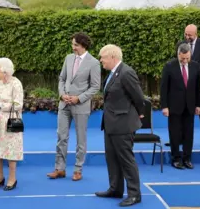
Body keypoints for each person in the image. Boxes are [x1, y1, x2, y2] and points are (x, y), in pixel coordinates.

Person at [95, 44, 145, 207]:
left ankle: (134, 194)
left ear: (112, 57)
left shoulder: (126, 72)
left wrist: (140, 113)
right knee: (112, 158)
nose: (100, 60)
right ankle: (115, 189)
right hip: (110, 124)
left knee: (126, 160)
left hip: (123, 125)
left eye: (102, 57)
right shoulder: (112, 73)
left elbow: (138, 97)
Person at [47, 32, 100, 181]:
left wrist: (79, 98)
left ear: (83, 45)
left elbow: (95, 87)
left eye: (75, 45)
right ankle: (60, 168)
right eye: (72, 44)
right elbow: (61, 79)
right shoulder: (68, 58)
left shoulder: (94, 62)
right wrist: (62, 94)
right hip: (64, 105)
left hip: (81, 106)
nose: (73, 47)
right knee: (61, 137)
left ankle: (78, 170)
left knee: (81, 140)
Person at [170, 24, 200, 149]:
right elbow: (177, 63)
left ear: (196, 34)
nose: (187, 37)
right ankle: (178, 138)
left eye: (190, 35)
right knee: (182, 110)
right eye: (185, 34)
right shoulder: (180, 44)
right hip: (184, 83)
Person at [160, 43, 200, 170]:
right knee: (174, 134)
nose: (185, 61)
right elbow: (164, 88)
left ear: (190, 55)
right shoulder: (169, 66)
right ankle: (176, 158)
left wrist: (199, 105)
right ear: (178, 54)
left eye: (187, 58)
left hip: (190, 106)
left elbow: (198, 89)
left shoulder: (195, 66)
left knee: (188, 134)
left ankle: (187, 158)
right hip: (174, 106)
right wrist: (164, 106)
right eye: (182, 58)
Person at [0, 58, 24, 191]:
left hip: (12, 121)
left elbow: (18, 104)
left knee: (11, 149)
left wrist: (1, 106)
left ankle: (12, 178)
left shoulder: (16, 83)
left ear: (4, 71)